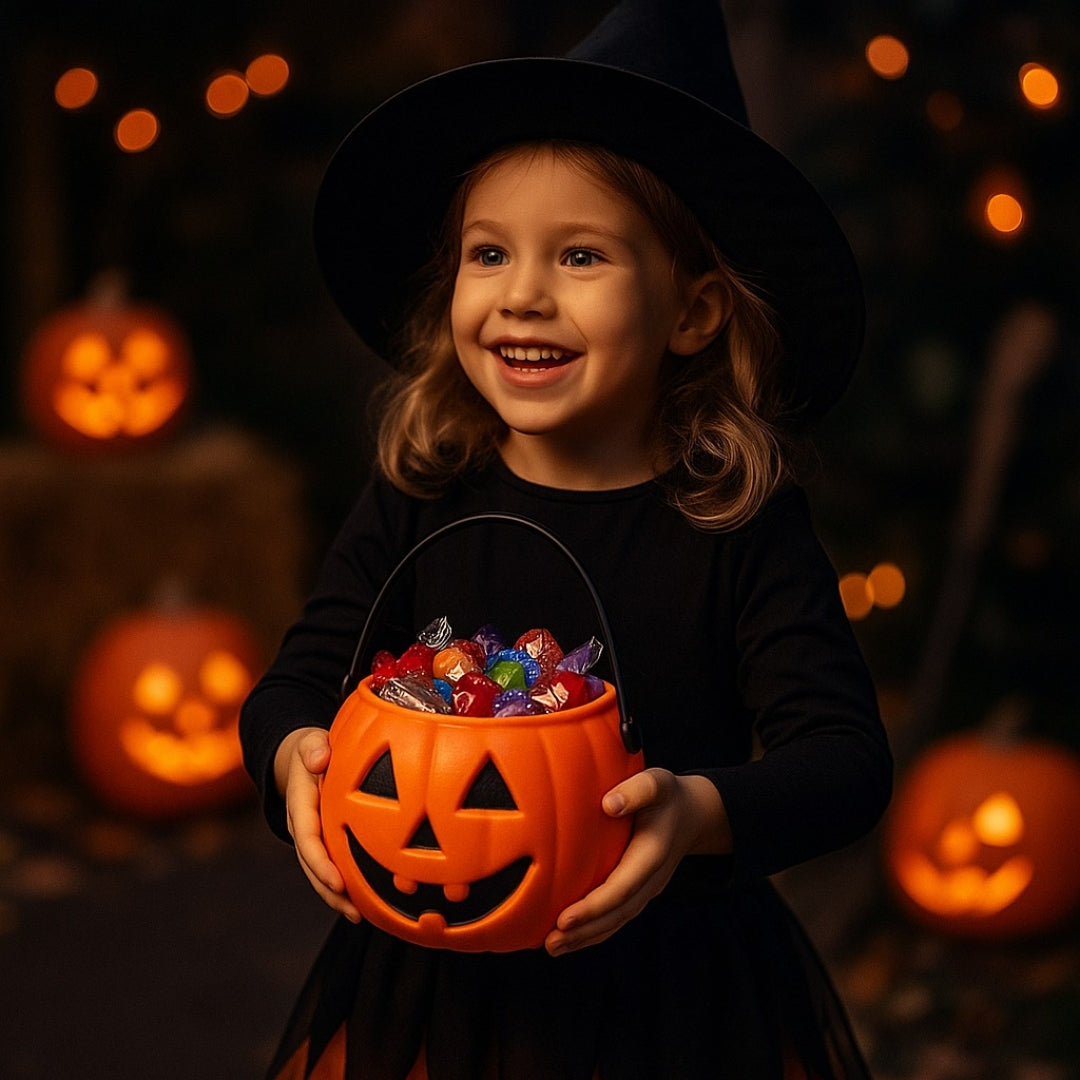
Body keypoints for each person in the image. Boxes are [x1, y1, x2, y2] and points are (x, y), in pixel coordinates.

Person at [240, 1, 892, 1077]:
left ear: (693, 312)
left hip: (675, 997)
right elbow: (296, 683)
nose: (523, 297)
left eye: (581, 256)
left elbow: (847, 762)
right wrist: (293, 758)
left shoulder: (734, 522)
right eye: (488, 253)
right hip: (436, 991)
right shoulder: (423, 488)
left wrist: (698, 811)